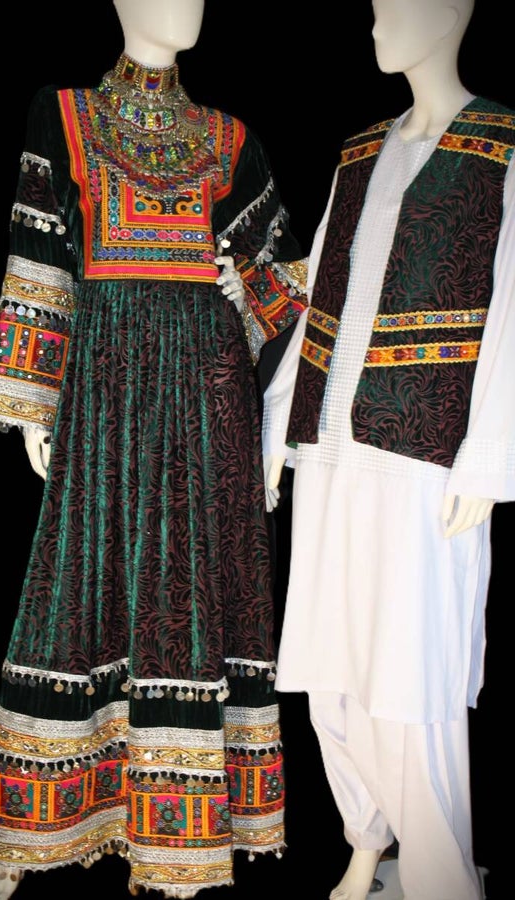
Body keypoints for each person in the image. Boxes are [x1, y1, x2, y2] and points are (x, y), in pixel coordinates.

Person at [0, 1, 309, 897]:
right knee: (80, 582)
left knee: (194, 590)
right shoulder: (65, 115)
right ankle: (41, 829)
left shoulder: (230, 137)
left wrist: (256, 292)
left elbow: (279, 281)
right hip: (106, 391)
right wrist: (32, 401)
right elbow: (40, 253)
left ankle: (183, 838)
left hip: (210, 396)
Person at [262, 1, 514, 898]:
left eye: (396, 4)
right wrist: (278, 427)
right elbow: (322, 289)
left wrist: (489, 455)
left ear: (451, 12)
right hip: (332, 442)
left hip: (425, 452)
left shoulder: (503, 144)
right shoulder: (360, 149)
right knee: (329, 664)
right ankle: (365, 840)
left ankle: (442, 871)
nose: (377, 22)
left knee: (412, 667)